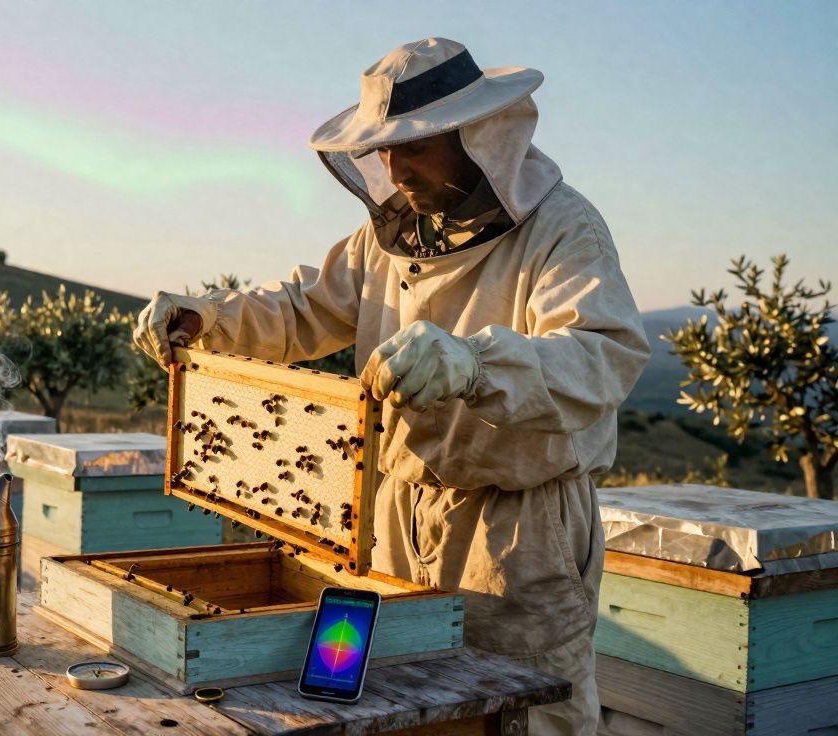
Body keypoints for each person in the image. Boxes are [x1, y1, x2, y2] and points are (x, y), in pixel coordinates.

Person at [134, 38, 651, 734]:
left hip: (516, 528)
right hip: (393, 511)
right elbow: (302, 307)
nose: (394, 168)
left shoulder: (563, 230)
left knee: (524, 714)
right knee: (397, 707)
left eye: (415, 146)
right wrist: (210, 318)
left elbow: (603, 355)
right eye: (382, 150)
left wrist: (475, 363)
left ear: (478, 137)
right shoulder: (388, 237)